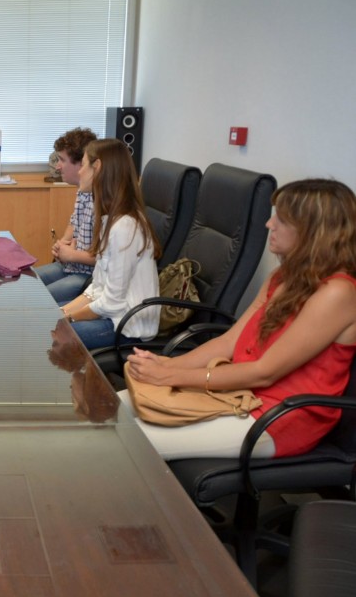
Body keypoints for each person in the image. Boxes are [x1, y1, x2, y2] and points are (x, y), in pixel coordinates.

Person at [125, 179, 356, 460]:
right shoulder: (281, 278)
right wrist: (167, 364)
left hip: (279, 416)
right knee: (105, 410)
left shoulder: (338, 293)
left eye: (281, 220)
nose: (269, 225)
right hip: (239, 392)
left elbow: (265, 371)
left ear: (313, 232)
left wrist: (170, 375)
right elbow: (228, 342)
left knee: (126, 443)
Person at [59, 139, 160, 350]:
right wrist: (63, 313)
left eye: (84, 165)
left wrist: (68, 320)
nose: (79, 172)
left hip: (128, 326)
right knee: (45, 318)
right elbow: (97, 289)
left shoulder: (125, 226)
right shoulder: (109, 219)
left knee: (54, 335)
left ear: (97, 169)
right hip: (110, 314)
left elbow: (112, 302)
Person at [34, 127, 98, 302]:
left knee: (35, 299)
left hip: (89, 275)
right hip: (71, 264)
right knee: (24, 284)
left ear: (81, 163)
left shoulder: (103, 200)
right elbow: (74, 222)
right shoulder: (83, 189)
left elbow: (106, 258)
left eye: (62, 160)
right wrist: (63, 243)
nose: (57, 166)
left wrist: (69, 254)